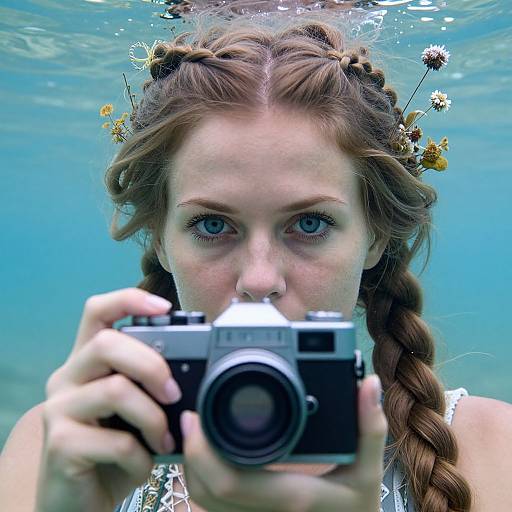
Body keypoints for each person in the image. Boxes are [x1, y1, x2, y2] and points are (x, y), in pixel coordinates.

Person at [1, 17, 511, 512]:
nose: (260, 280)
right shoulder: (58, 452)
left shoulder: (493, 454)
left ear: (376, 235)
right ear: (159, 237)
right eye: (212, 226)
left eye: (310, 224)